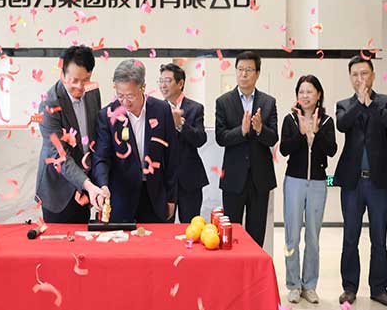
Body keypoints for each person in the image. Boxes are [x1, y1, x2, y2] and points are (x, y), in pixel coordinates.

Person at [334, 56, 387, 308]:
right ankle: (349, 287)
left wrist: (370, 104)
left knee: (379, 238)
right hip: (352, 182)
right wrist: (359, 104)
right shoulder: (343, 105)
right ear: (350, 78)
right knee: (350, 237)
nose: (360, 79)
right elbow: (342, 125)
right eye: (355, 75)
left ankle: (379, 288)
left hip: (378, 182)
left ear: (373, 75)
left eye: (364, 74)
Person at [93, 59, 178, 223]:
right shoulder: (107, 115)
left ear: (143, 87)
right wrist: (103, 185)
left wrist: (171, 198)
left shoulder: (162, 110)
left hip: (155, 196)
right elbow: (101, 157)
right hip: (121, 197)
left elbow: (172, 157)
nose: (125, 102)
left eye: (130, 96)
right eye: (120, 96)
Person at [280, 75, 337, 304]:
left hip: (318, 183)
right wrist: (301, 134)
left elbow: (331, 150)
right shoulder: (290, 120)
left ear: (318, 94)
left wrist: (316, 133)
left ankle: (310, 285)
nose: (305, 96)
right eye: (301, 92)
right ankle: (293, 285)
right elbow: (284, 149)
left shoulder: (327, 121)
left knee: (313, 237)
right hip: (294, 181)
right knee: (292, 237)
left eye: (309, 91)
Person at [36, 46, 105, 223]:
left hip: (85, 190)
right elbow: (60, 156)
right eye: (74, 80)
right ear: (62, 74)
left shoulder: (92, 91)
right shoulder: (48, 105)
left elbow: (95, 138)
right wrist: (88, 185)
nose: (80, 87)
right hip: (58, 192)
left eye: (86, 80)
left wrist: (98, 181)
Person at [215, 51, 278, 247]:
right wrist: (241, 131)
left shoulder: (268, 102)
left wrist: (260, 129)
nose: (244, 74)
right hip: (233, 178)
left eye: (249, 70)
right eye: (240, 69)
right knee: (231, 235)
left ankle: (254, 268)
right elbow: (221, 137)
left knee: (256, 235)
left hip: (260, 179)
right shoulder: (223, 102)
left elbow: (273, 138)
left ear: (257, 74)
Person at [158, 63, 208, 223]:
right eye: (161, 81)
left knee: (191, 226)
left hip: (189, 179)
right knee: (164, 227)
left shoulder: (195, 108)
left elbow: (200, 139)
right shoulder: (157, 109)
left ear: (180, 83)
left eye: (167, 81)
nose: (163, 85)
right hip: (165, 180)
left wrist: (181, 125)